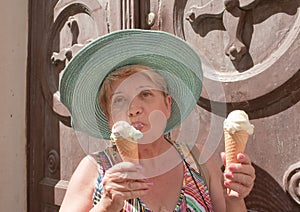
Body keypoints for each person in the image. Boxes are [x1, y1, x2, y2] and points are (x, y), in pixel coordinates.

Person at [59, 29, 255, 211]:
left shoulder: (199, 160)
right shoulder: (94, 168)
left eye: (145, 94)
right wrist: (106, 206)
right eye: (120, 100)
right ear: (109, 117)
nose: (134, 109)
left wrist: (235, 198)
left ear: (167, 105)